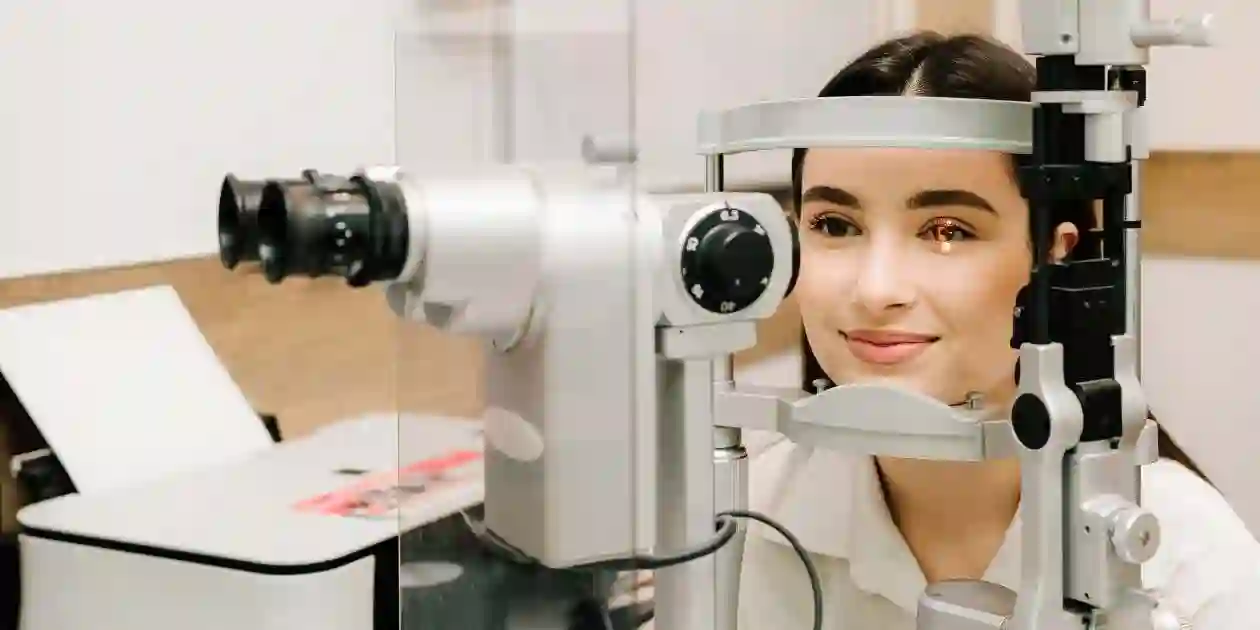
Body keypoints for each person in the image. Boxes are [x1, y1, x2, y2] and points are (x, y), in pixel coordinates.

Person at [736, 31, 1260, 629]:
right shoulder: (745, 523)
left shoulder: (1188, 571)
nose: (876, 289)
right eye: (834, 225)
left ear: (1056, 259)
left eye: (948, 230)